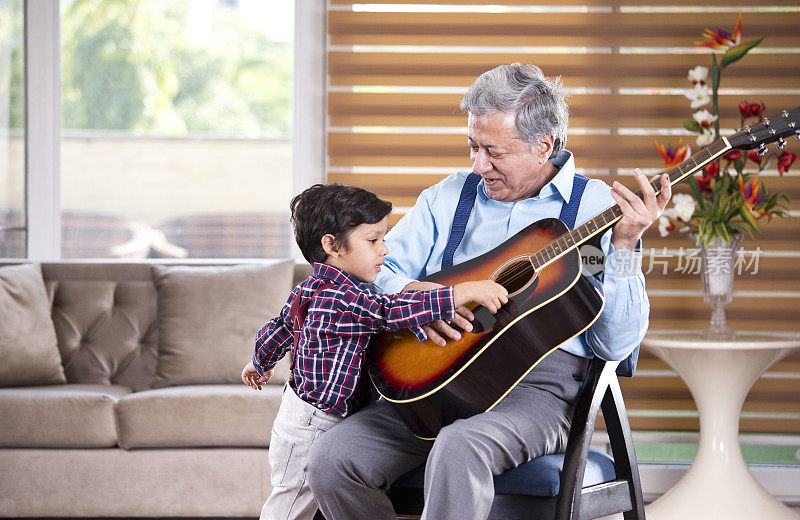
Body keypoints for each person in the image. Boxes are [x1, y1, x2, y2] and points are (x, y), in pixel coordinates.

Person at [306, 63, 672, 520]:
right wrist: (430, 300)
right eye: (472, 147)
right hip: (435, 374)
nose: (479, 165)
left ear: (545, 146)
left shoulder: (599, 208)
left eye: (494, 151)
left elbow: (615, 344)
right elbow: (375, 273)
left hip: (539, 390)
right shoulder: (448, 198)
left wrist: (624, 247)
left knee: (459, 447)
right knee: (332, 460)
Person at [241, 183, 509, 520]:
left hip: (318, 414)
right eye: (373, 240)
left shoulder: (313, 287)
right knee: (290, 508)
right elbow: (389, 310)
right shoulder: (340, 299)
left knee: (313, 508)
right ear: (331, 246)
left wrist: (258, 362)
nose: (385, 250)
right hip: (312, 424)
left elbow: (279, 328)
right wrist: (462, 291)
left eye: (383, 238)